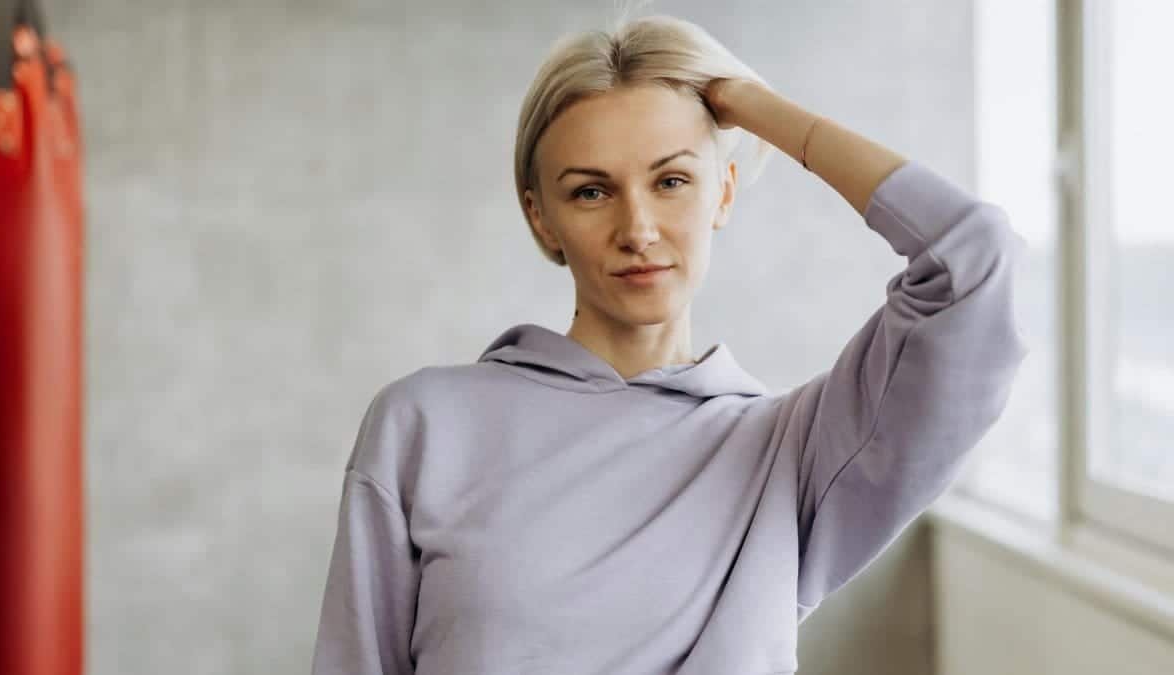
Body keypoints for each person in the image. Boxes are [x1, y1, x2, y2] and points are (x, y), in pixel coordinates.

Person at [309, 12, 1029, 675]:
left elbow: (972, 259)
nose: (639, 228)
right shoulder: (424, 425)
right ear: (541, 218)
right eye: (592, 191)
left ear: (724, 193)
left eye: (673, 180)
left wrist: (752, 105)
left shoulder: (792, 455)